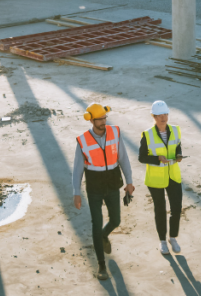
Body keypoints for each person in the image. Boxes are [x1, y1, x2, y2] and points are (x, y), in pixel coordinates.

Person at [72, 103, 135, 281]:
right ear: (91, 120)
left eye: (104, 118)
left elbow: (123, 158)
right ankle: (101, 265)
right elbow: (77, 169)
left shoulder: (115, 132)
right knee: (96, 223)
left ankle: (104, 236)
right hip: (94, 186)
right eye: (99, 119)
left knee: (116, 220)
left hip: (113, 182)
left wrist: (129, 182)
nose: (103, 122)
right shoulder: (82, 140)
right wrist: (76, 192)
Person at [138, 100, 185, 255]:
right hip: (156, 178)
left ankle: (173, 237)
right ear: (153, 116)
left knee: (176, 208)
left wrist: (178, 155)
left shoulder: (176, 130)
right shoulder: (147, 134)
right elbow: (142, 157)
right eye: (159, 115)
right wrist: (157, 158)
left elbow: (177, 145)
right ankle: (163, 241)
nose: (163, 118)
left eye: (165, 114)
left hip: (173, 175)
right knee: (160, 209)